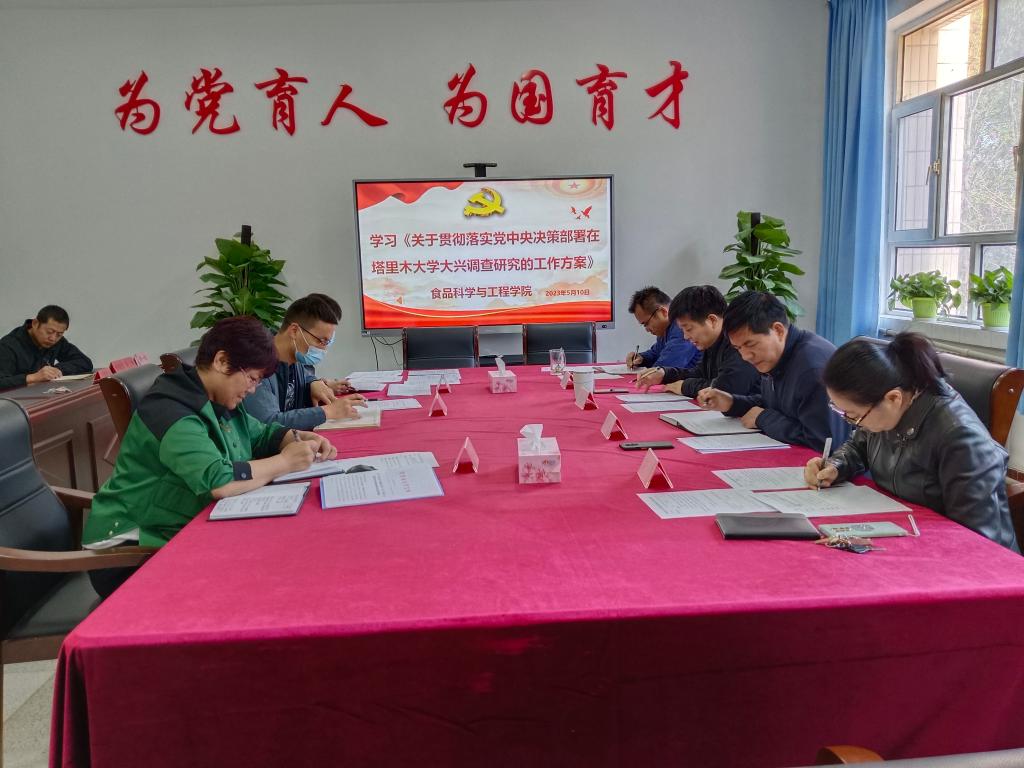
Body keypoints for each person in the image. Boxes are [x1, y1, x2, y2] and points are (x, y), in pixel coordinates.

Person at [82, 315, 337, 598]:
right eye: (252, 378)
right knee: (261, 581)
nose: (253, 389)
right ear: (221, 361)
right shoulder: (171, 409)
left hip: (178, 529)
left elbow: (261, 435)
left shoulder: (217, 396)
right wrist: (285, 462)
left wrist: (294, 437)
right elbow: (220, 481)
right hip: (128, 551)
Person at [804, 333, 1018, 552]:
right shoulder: (889, 406)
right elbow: (859, 445)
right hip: (905, 529)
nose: (853, 423)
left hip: (957, 553)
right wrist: (835, 466)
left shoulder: (961, 438)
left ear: (893, 398)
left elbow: (976, 540)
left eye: (854, 416)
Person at [697, 291, 848, 451]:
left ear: (778, 330)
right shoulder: (778, 355)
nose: (745, 356)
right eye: (738, 348)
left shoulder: (813, 369)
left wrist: (763, 418)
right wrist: (732, 403)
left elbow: (825, 441)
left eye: (750, 344)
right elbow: (777, 403)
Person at [244, 294, 364, 429]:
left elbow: (306, 381)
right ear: (294, 331)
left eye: (328, 343)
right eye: (321, 341)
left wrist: (315, 383)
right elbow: (268, 423)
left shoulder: (296, 360)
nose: (324, 349)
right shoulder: (257, 365)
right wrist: (327, 412)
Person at [635, 285, 759, 398]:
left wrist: (685, 386)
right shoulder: (711, 342)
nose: (685, 337)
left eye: (689, 329)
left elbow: (727, 389)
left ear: (712, 320)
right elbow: (699, 373)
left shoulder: (739, 341)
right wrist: (664, 374)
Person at [0, 305, 93, 389]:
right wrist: (32, 377)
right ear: (35, 323)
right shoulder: (8, 346)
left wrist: (57, 370)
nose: (53, 338)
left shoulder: (57, 341)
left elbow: (84, 362)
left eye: (59, 334)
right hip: (14, 400)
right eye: (49, 332)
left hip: (43, 395)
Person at [624, 286, 700, 370]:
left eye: (646, 323)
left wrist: (650, 371)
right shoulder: (666, 329)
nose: (647, 329)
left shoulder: (682, 328)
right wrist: (642, 358)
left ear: (663, 312)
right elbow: (656, 353)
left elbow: (663, 368)